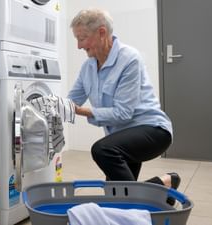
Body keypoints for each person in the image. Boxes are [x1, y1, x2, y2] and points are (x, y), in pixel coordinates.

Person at [67, 8, 180, 200]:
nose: (79, 46)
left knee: (102, 149)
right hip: (121, 140)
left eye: (83, 38)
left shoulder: (129, 59)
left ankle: (148, 200)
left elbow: (123, 113)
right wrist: (51, 107)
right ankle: (165, 185)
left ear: (102, 32)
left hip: (152, 131)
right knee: (116, 197)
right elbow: (71, 101)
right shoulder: (88, 67)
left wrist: (82, 111)